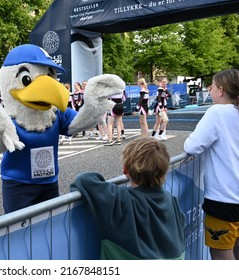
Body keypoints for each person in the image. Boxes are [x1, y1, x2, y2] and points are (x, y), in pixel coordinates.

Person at [71, 137, 185, 259]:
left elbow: (84, 180)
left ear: (126, 169)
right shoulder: (171, 200)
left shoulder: (120, 199)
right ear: (164, 170)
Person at [184, 68, 239, 260]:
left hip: (224, 199)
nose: (210, 91)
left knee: (222, 260)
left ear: (221, 90)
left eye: (212, 87)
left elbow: (192, 146)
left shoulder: (217, 112)